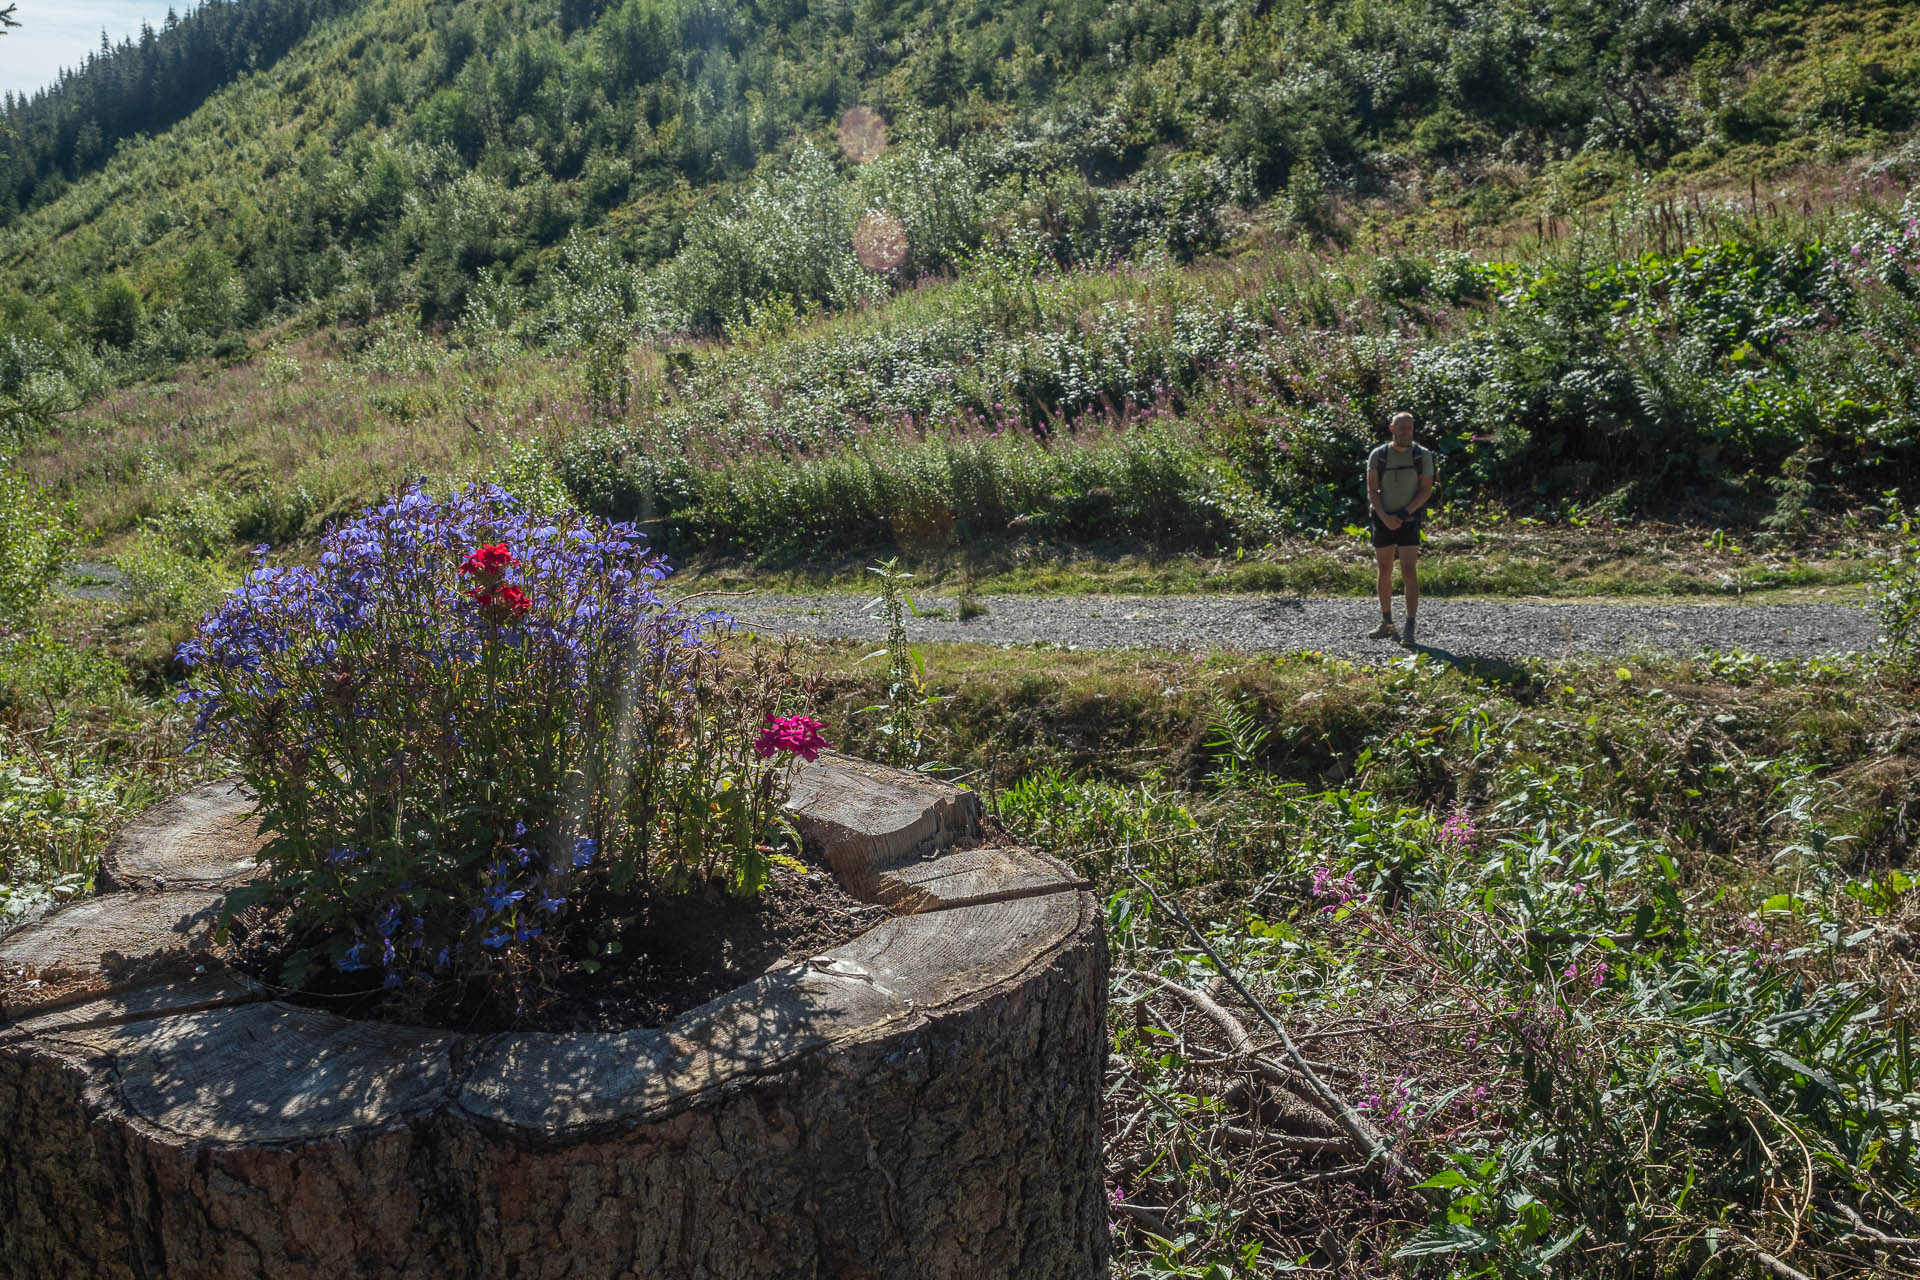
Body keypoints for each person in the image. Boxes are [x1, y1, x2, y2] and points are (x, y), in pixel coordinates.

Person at [1365, 411, 1435, 647]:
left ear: (1413, 429)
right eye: (1401, 428)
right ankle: (1387, 622)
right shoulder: (1379, 455)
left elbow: (1426, 490)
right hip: (1382, 519)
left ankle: (1409, 626)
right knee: (1384, 570)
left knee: (1408, 570)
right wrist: (1385, 517)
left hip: (1409, 521)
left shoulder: (1422, 455)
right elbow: (1372, 491)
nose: (1405, 432)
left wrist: (1405, 513)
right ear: (1392, 429)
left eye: (1409, 428)